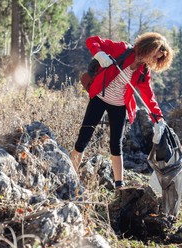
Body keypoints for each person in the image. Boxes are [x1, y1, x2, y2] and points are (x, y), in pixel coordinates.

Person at [70, 32, 174, 188]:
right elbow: (92, 41)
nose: (155, 60)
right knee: (83, 138)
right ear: (148, 48)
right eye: (155, 56)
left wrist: (158, 119)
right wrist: (100, 55)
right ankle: (70, 176)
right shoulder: (122, 49)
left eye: (158, 59)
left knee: (116, 145)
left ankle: (119, 185)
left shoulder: (144, 72)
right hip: (99, 98)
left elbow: (148, 97)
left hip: (119, 106)